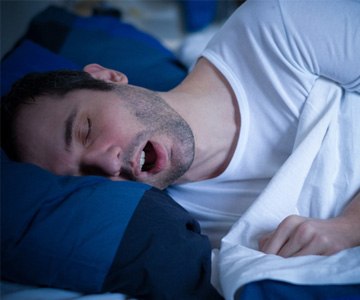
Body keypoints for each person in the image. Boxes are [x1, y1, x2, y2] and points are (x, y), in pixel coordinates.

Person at [1, 0, 360, 257]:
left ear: (108, 78)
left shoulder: (276, 27)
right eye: (84, 175)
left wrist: (351, 226)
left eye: (85, 131)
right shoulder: (189, 230)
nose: (108, 165)